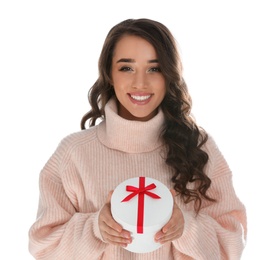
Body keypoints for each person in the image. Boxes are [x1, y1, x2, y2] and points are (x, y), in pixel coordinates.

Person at [28, 18, 247, 259]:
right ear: (109, 74)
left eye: (154, 68)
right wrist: (94, 229)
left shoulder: (198, 148)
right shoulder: (73, 154)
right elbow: (43, 248)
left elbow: (233, 244)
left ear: (169, 75)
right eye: (126, 68)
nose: (140, 83)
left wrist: (186, 227)